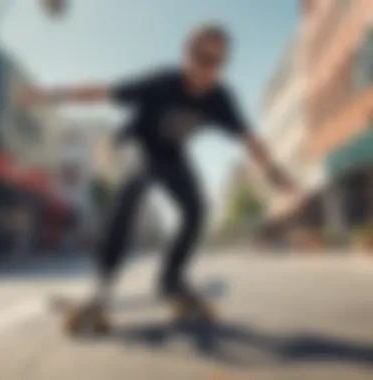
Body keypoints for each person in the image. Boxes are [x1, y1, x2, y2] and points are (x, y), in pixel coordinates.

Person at [18, 24, 296, 332]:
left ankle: (171, 280)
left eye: (215, 62)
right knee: (130, 196)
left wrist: (273, 171)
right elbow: (104, 91)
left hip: (172, 156)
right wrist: (52, 95)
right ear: (186, 55)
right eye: (200, 57)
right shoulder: (161, 82)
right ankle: (102, 287)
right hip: (137, 144)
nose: (206, 69)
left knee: (197, 210)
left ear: (222, 65)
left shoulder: (221, 98)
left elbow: (249, 137)